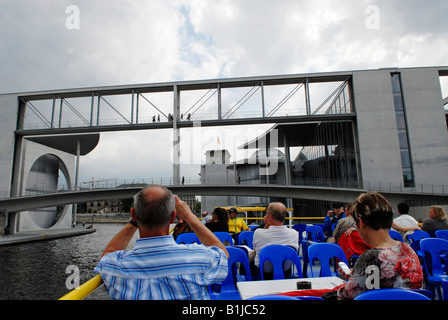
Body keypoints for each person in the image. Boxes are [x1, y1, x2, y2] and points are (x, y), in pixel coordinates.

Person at [94, 185, 228, 300]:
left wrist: (135, 219)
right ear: (173, 217)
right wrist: (189, 216)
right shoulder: (198, 258)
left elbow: (108, 254)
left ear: (133, 215)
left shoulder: (116, 267)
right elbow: (223, 253)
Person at [337, 192, 424, 300]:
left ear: (361, 223)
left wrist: (342, 289)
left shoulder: (369, 258)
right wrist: (357, 277)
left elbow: (347, 297)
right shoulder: (408, 250)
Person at [250, 202, 299, 279]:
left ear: (270, 216)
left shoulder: (258, 233)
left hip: (264, 274)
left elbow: (255, 247)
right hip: (285, 272)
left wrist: (266, 227)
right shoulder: (295, 234)